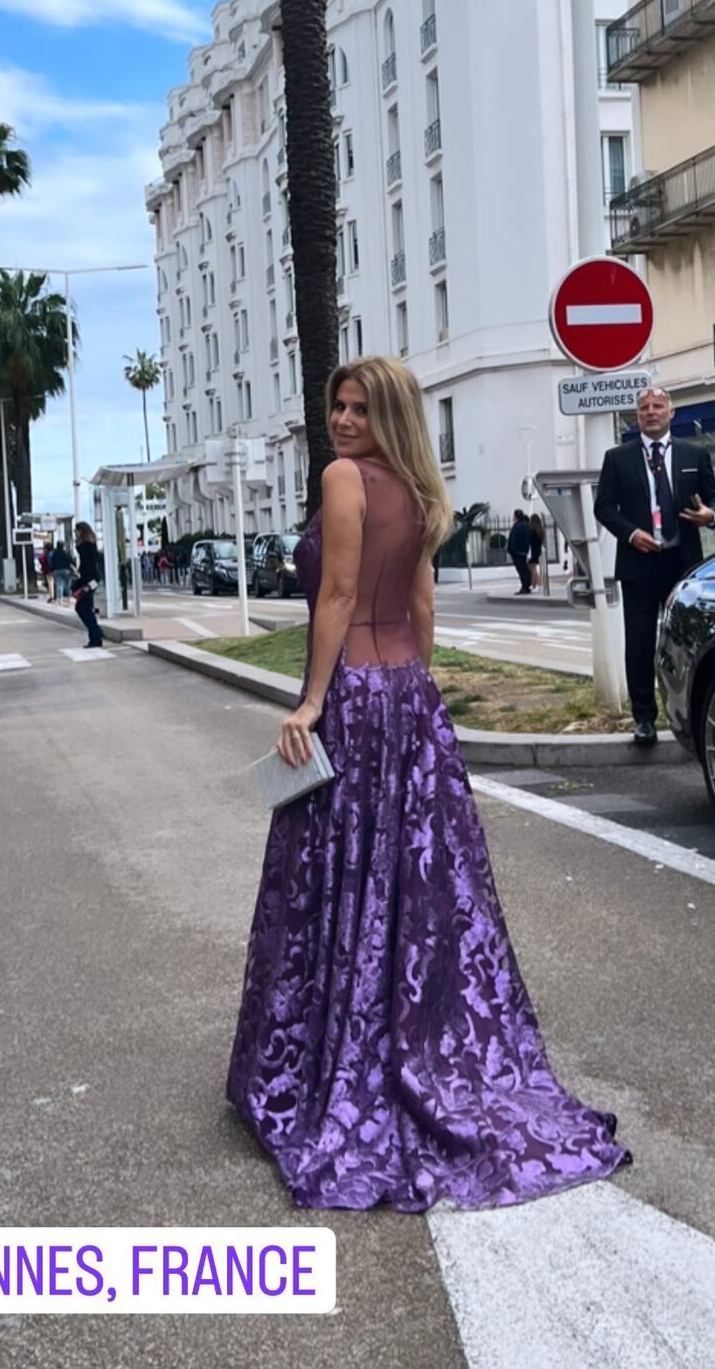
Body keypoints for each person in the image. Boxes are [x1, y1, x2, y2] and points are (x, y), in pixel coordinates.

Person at [227, 355, 629, 1212]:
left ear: (387, 416)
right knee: (416, 884)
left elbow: (336, 594)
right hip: (407, 698)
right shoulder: (417, 491)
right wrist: (421, 694)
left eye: (357, 409)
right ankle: (420, 1035)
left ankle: (340, 1053)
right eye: (336, 406)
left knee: (340, 879)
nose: (340, 422)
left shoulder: (343, 481)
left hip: (355, 697)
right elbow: (420, 610)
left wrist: (310, 703)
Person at [595, 385, 715, 747]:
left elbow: (712, 498)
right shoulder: (618, 458)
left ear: (670, 412)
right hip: (639, 564)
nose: (650, 412)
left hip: (684, 566)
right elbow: (604, 507)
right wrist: (630, 535)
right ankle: (644, 719)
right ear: (638, 415)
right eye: (644, 407)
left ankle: (688, 718)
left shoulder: (695, 454)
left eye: (657, 406)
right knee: (639, 644)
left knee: (689, 644)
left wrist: (710, 515)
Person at [71, 521, 105, 649]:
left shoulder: (86, 547)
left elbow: (88, 567)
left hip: (89, 581)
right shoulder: (90, 545)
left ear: (81, 532)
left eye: (76, 530)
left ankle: (95, 636)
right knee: (86, 608)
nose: (75, 533)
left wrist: (86, 585)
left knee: (83, 608)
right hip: (91, 580)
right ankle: (96, 632)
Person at [506, 508, 533, 595]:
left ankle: (525, 587)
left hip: (517, 552)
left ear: (516, 516)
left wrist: (511, 550)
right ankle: (526, 586)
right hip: (523, 551)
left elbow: (514, 539)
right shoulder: (526, 525)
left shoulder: (517, 526)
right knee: (524, 569)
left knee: (521, 570)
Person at [528, 513, 545, 591]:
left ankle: (538, 584)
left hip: (532, 552)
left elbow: (530, 541)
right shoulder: (540, 530)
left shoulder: (532, 530)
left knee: (532, 568)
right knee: (533, 568)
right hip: (538, 551)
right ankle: (533, 584)